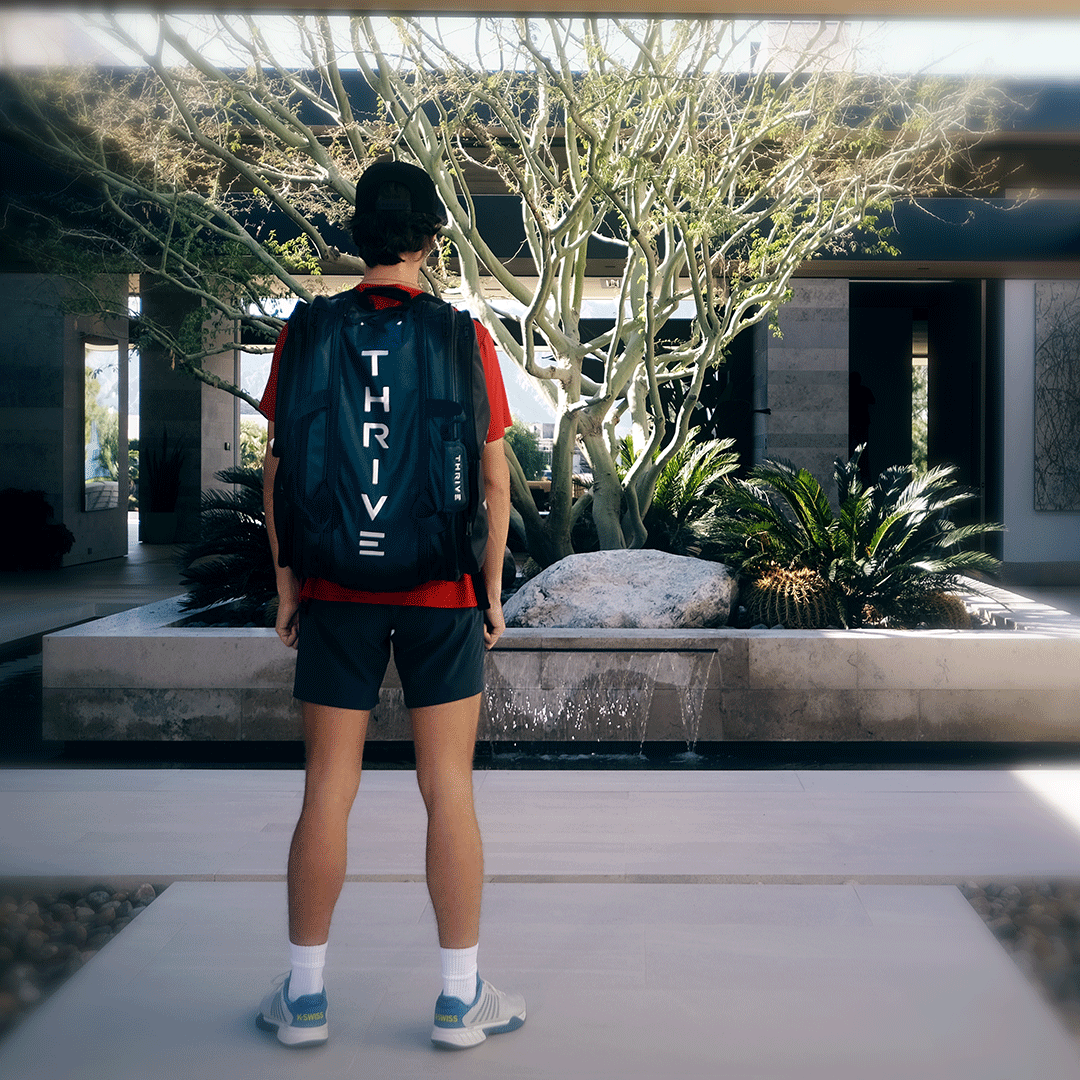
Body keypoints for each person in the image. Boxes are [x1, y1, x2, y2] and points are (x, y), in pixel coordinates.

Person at [255, 160, 524, 1050]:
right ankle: (458, 999)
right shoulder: (462, 335)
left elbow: (279, 473)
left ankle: (304, 999)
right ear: (432, 242)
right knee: (448, 789)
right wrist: (490, 592)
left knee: (327, 791)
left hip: (336, 587)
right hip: (442, 591)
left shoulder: (306, 332)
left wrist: (288, 586)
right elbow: (494, 481)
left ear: (357, 237)